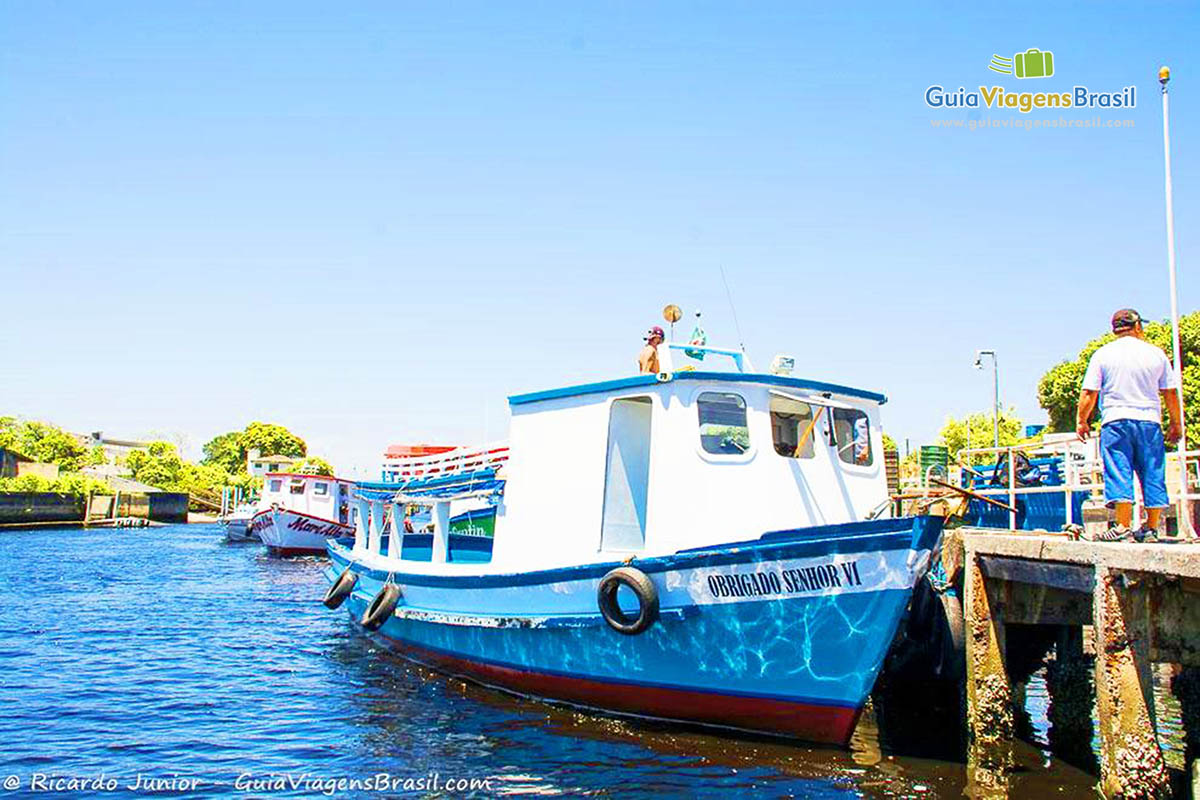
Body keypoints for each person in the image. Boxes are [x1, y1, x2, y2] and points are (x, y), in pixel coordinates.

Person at [1076, 308, 1182, 542]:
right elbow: (1170, 392)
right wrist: (1176, 423)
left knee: (1118, 469)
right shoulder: (1156, 354)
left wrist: (1082, 421)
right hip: (1149, 421)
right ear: (1137, 326)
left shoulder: (1103, 354)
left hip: (1115, 420)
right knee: (1152, 470)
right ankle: (1151, 528)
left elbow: (1089, 392)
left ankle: (1123, 526)